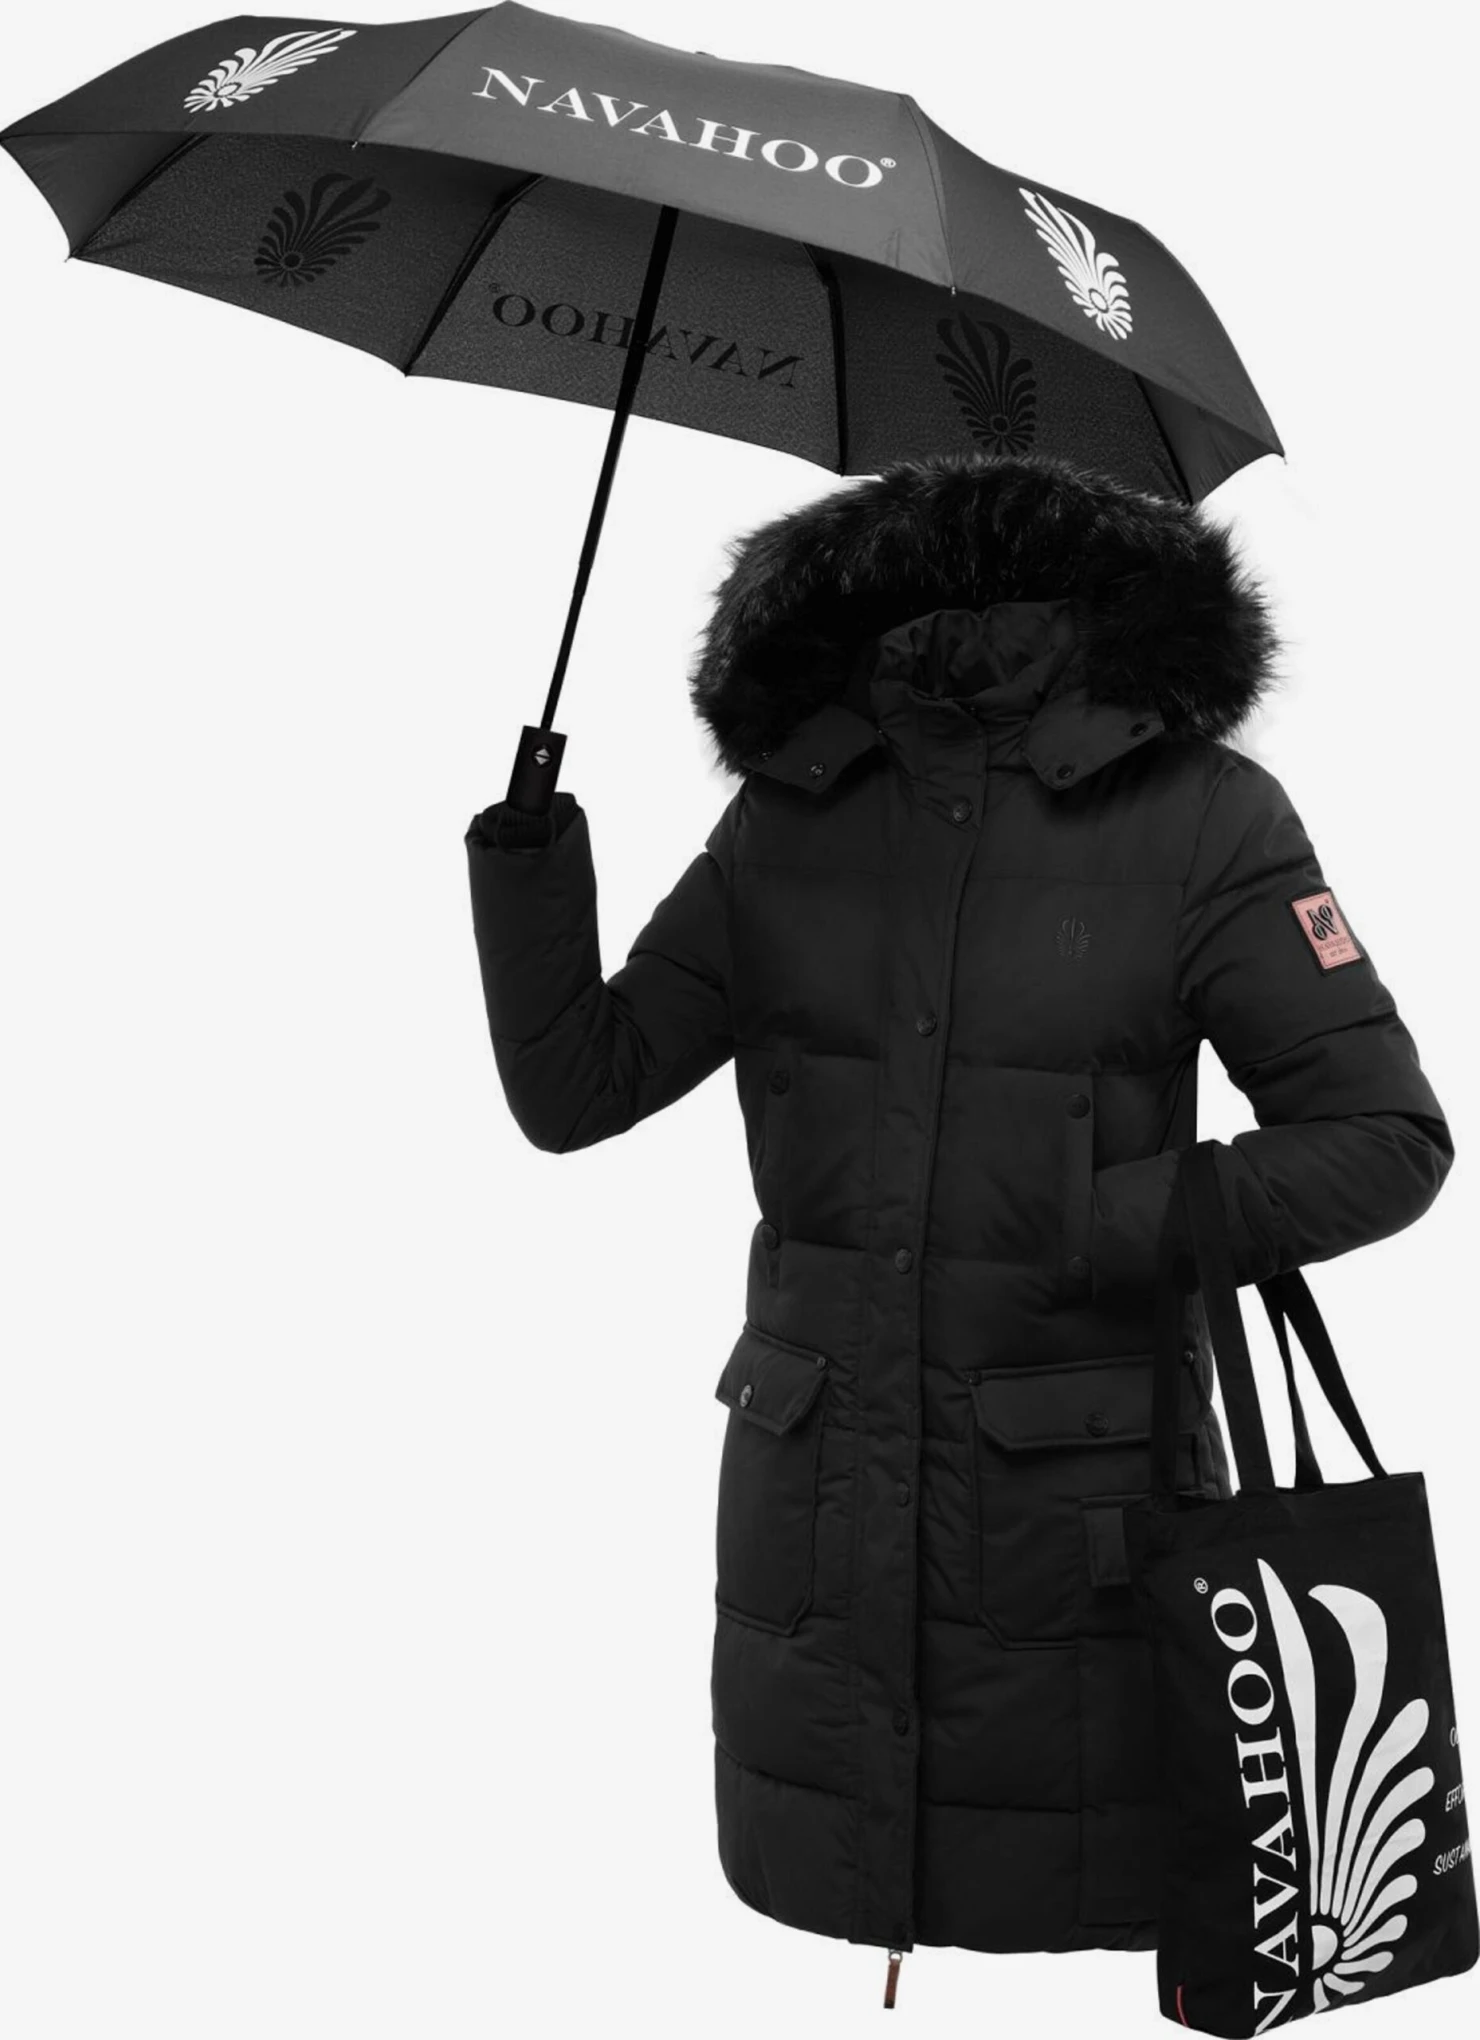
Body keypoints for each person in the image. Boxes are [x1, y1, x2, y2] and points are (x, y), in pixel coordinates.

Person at [463, 451, 1450, 1975]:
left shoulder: (1199, 818)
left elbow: (1386, 1138)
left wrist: (1112, 1223)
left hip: (1073, 1540)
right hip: (818, 1531)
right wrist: (528, 848)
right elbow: (579, 1084)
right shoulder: (796, 815)